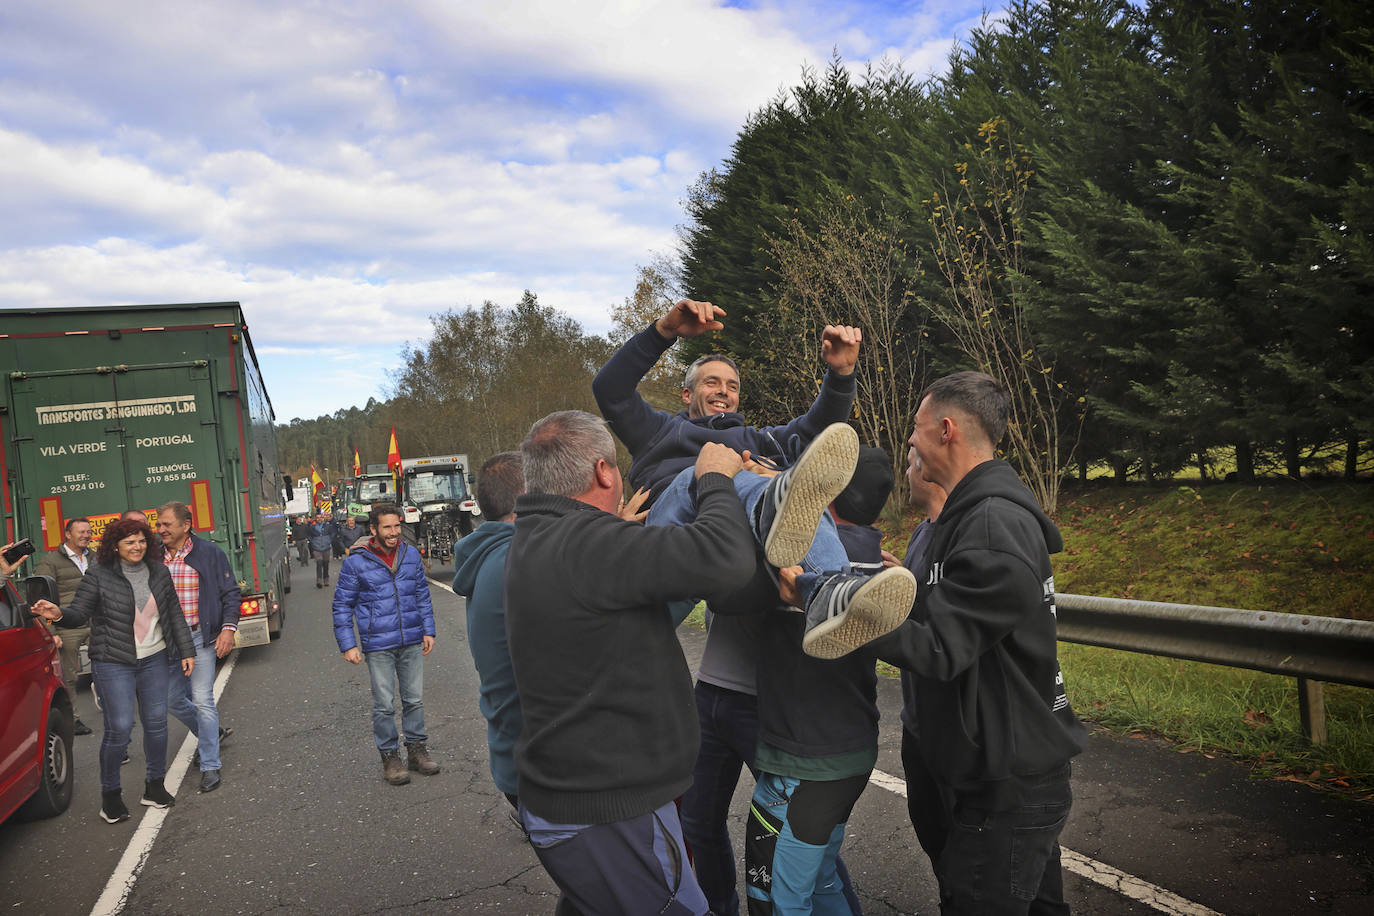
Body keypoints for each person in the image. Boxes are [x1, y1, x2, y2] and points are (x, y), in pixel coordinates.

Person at [505, 410, 756, 915]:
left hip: (574, 801)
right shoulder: (589, 545)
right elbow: (727, 562)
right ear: (603, 472)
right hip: (610, 814)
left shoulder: (537, 537)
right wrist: (713, 479)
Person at [864, 372, 1089, 915]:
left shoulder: (992, 525)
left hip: (1004, 786)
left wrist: (847, 611)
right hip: (997, 770)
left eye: (915, 430)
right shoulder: (967, 519)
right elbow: (961, 618)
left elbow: (941, 648)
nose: (910, 443)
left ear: (946, 430)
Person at [594, 299, 914, 655]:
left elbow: (817, 431)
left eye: (732, 386)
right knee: (721, 473)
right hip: (671, 533)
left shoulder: (760, 441)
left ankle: (829, 593)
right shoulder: (660, 431)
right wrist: (664, 331)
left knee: (802, 490)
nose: (723, 391)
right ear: (686, 394)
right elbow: (610, 390)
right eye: (711, 383)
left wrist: (841, 375)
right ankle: (772, 505)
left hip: (731, 550)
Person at [743, 446, 893, 915]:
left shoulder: (795, 559)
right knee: (822, 883)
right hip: (852, 753)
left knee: (778, 903)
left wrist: (757, 479)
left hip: (801, 766)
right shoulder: (876, 563)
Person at [31, 517, 195, 824]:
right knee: (119, 728)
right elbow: (80, 612)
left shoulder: (159, 572)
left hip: (154, 659)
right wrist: (57, 614)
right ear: (115, 546)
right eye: (129, 542)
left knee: (157, 724)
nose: (137, 547)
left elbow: (173, 614)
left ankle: (154, 786)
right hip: (112, 661)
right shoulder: (99, 575)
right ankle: (110, 797)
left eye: (142, 541)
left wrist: (186, 650)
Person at [331, 503, 439, 785]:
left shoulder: (411, 554)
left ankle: (416, 750)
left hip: (412, 639)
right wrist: (347, 644)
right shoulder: (356, 561)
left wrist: (428, 630)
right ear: (373, 529)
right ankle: (390, 757)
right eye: (387, 527)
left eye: (397, 526)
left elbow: (422, 595)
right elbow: (342, 604)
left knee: (414, 700)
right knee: (384, 705)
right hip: (378, 644)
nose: (394, 533)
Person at [451, 451, 525, 819]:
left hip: (512, 756)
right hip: (541, 768)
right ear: (528, 498)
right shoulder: (522, 559)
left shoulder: (490, 554)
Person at [156, 502, 239, 794]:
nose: (161, 529)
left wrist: (227, 629)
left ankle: (210, 765)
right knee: (170, 700)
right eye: (159, 524)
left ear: (186, 525)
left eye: (166, 524)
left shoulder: (209, 554)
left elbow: (230, 593)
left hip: (199, 638)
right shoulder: (154, 556)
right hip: (167, 643)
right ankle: (211, 733)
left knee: (202, 699)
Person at [34, 517, 96, 735]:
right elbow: (43, 600)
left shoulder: (95, 558)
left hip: (95, 622)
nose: (86, 536)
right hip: (67, 625)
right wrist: (51, 631)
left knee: (110, 667)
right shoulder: (50, 561)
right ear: (68, 534)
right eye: (81, 532)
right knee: (68, 676)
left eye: (88, 532)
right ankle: (74, 720)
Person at [308, 513, 337, 588]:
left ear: (323, 518)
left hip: (326, 547)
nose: (319, 519)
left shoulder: (328, 526)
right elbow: (309, 536)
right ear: (315, 519)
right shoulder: (312, 527)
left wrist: (329, 540)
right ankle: (319, 580)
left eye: (320, 517)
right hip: (317, 548)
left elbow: (333, 533)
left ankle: (326, 579)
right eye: (317, 518)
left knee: (326, 564)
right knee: (319, 563)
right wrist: (313, 542)